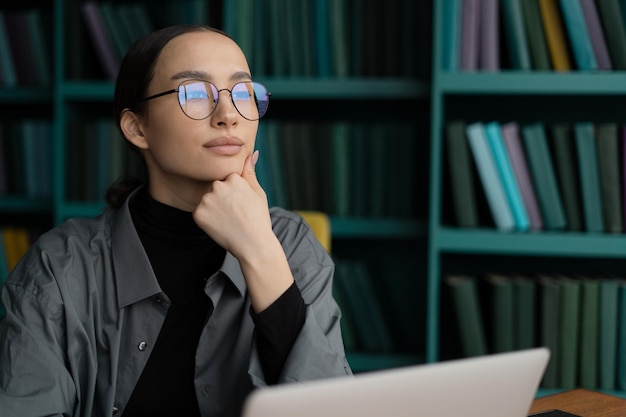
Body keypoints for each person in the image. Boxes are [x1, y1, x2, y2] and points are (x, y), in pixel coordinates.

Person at [0, 24, 352, 417]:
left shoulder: (289, 242)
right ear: (137, 127)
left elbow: (331, 406)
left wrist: (259, 251)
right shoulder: (60, 265)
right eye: (195, 93)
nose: (228, 116)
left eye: (243, 93)